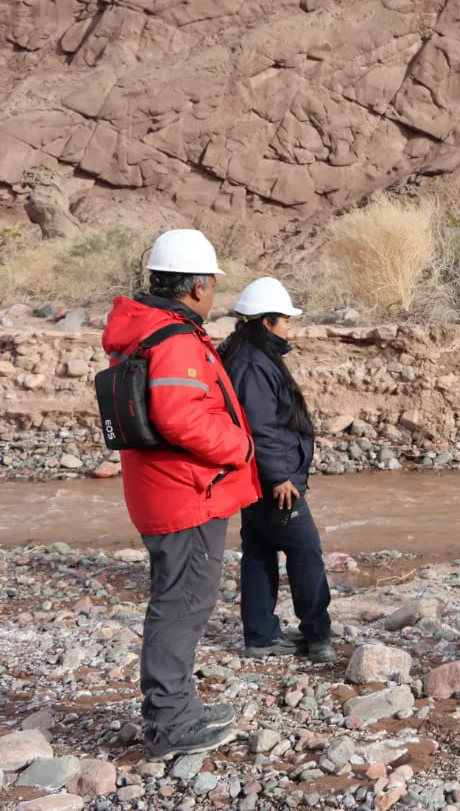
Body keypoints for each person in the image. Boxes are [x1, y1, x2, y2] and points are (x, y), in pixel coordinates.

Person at [101, 229, 259, 761]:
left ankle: (178, 707)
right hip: (186, 495)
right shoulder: (174, 340)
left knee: (179, 600)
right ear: (197, 287)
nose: (213, 293)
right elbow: (180, 415)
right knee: (183, 603)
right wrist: (239, 447)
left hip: (165, 491)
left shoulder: (147, 334)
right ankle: (170, 722)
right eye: (212, 284)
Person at [219, 278, 336, 665]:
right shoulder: (253, 363)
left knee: (259, 551)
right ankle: (317, 638)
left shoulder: (245, 354)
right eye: (285, 320)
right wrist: (280, 477)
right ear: (267, 322)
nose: (289, 327)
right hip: (274, 482)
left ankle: (261, 637)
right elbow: (261, 426)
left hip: (253, 477)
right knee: (306, 554)